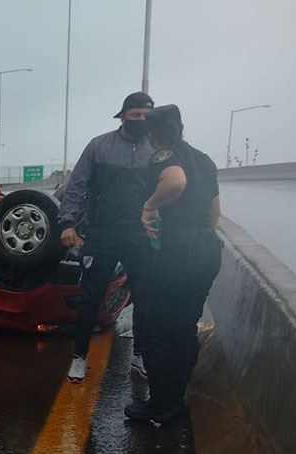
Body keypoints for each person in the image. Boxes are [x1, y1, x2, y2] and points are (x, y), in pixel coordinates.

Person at [125, 104, 222, 424]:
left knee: (156, 329)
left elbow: (175, 182)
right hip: (207, 252)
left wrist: (149, 205)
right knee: (184, 327)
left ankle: (161, 404)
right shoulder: (204, 160)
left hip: (176, 257)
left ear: (153, 134)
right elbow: (215, 212)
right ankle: (177, 400)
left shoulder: (163, 157)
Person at [59, 91, 156, 383]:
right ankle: (79, 357)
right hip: (102, 234)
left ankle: (140, 355)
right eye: (136, 115)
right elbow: (76, 186)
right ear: (123, 116)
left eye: (146, 116)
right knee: (89, 298)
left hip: (139, 235)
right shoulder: (99, 146)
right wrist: (67, 223)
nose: (141, 120)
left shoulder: (156, 151)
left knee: (144, 297)